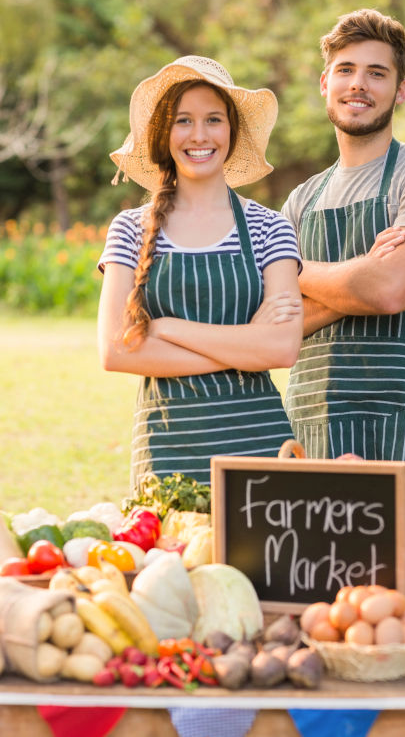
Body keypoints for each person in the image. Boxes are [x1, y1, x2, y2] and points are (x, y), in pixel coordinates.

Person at [97, 55, 303, 489]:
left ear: (232, 131)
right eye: (183, 121)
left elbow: (282, 349)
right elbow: (115, 352)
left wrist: (166, 328)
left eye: (213, 119)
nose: (199, 135)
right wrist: (247, 344)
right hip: (168, 449)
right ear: (163, 133)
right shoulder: (129, 230)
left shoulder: (271, 228)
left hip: (259, 445)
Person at [282, 8, 405, 463]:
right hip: (308, 417)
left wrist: (291, 268)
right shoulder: (301, 200)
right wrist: (361, 274)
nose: (358, 84)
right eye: (345, 70)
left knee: (396, 536)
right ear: (325, 83)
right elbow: (274, 324)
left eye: (377, 73)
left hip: (398, 419)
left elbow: (390, 290)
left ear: (400, 90)